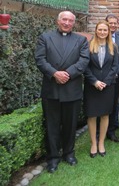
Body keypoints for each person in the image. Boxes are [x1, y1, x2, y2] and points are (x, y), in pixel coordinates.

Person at [35, 11, 90, 173]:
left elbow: (84, 60)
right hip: (51, 88)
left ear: (74, 23)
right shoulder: (45, 38)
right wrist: (54, 73)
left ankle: (69, 153)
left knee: (70, 124)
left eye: (70, 20)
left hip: (71, 88)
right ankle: (52, 158)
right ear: (58, 21)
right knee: (51, 126)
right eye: (64, 19)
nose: (67, 23)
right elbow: (40, 59)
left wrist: (68, 74)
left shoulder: (81, 40)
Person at [83, 20, 119, 158]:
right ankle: (93, 143)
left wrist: (105, 81)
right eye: (100, 30)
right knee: (92, 115)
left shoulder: (114, 47)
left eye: (105, 30)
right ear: (96, 31)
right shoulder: (88, 46)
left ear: (109, 32)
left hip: (108, 86)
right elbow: (85, 66)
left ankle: (101, 143)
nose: (102, 32)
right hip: (92, 86)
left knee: (105, 115)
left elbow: (115, 66)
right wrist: (95, 81)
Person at [105, 14, 119, 142]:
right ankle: (99, 130)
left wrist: (114, 72)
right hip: (100, 78)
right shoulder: (98, 38)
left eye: (114, 23)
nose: (112, 25)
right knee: (101, 103)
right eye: (110, 23)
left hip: (116, 77)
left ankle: (111, 131)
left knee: (113, 103)